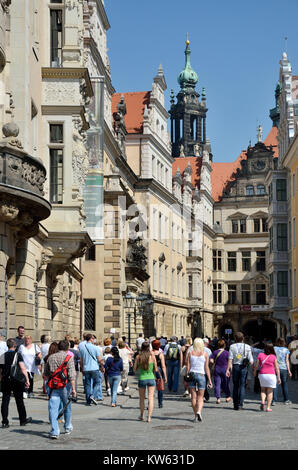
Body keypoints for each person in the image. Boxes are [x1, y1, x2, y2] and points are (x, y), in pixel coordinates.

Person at [44, 340, 76, 439]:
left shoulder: (50, 357)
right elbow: (72, 375)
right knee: (67, 407)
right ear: (67, 348)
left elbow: (46, 373)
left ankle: (55, 431)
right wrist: (74, 389)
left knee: (53, 409)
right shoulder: (69, 358)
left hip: (54, 386)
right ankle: (67, 427)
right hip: (65, 386)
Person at [0, 338, 32, 428]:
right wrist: (27, 379)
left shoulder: (2, 355)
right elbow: (22, 368)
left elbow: (0, 370)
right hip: (16, 381)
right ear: (15, 346)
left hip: (6, 380)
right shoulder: (18, 355)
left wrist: (1, 379)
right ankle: (22, 420)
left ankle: (5, 421)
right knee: (19, 400)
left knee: (5, 401)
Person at [186, 338, 212, 422]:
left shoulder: (190, 353)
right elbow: (206, 368)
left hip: (192, 375)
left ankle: (195, 416)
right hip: (201, 375)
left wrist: (187, 376)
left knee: (193, 397)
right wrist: (209, 380)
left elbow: (188, 367)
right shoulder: (205, 354)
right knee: (200, 397)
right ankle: (199, 412)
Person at [226, 331, 253, 410]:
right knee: (242, 386)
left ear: (235, 338)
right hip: (243, 367)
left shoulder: (232, 346)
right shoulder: (247, 346)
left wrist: (228, 369)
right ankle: (240, 404)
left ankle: (235, 404)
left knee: (235, 386)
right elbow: (251, 361)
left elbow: (230, 359)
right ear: (243, 338)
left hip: (235, 367)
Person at [133, 342, 158, 422]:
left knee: (142, 399)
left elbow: (134, 369)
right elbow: (156, 369)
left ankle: (142, 415)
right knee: (151, 397)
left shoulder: (138, 357)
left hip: (142, 378)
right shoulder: (152, 356)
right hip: (151, 378)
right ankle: (149, 417)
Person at [254, 343, 281, 412]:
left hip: (262, 374)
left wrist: (254, 372)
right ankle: (268, 407)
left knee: (263, 390)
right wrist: (278, 377)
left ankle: (263, 401)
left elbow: (256, 366)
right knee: (270, 391)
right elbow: (277, 368)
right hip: (271, 375)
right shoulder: (273, 356)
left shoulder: (260, 355)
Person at [80, 333, 104, 406]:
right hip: (94, 368)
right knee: (97, 382)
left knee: (87, 385)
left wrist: (82, 368)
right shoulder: (95, 348)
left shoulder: (82, 348)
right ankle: (93, 395)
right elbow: (99, 359)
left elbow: (81, 360)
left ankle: (88, 401)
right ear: (91, 339)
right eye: (93, 338)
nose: (94, 340)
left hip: (86, 368)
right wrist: (102, 364)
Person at [210, 339, 232, 404]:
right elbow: (230, 363)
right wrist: (230, 370)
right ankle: (227, 397)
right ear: (224, 345)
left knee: (217, 384)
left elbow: (211, 360)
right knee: (226, 383)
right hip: (225, 369)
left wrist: (213, 362)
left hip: (217, 369)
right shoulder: (227, 353)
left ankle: (218, 398)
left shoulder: (215, 352)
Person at [273, 338, 292, 404]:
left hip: (275, 368)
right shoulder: (286, 350)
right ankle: (286, 400)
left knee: (275, 385)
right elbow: (287, 360)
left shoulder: (274, 348)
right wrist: (289, 370)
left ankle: (274, 400)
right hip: (284, 368)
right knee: (284, 384)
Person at [151, 339, 167, 408]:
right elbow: (163, 366)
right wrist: (165, 376)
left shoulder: (150, 353)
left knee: (151, 388)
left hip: (151, 370)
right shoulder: (161, 354)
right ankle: (160, 403)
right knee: (160, 388)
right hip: (159, 371)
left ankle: (150, 403)